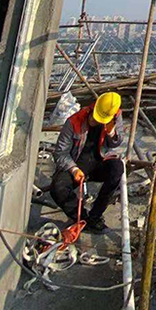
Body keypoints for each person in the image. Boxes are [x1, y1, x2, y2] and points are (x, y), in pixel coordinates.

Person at [51, 91, 124, 233]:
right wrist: (73, 169)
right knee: (57, 187)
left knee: (117, 168)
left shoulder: (115, 116)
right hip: (76, 164)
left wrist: (111, 133)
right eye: (96, 118)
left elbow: (116, 143)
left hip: (98, 163)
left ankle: (95, 216)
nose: (96, 122)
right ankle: (82, 218)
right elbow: (60, 153)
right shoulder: (73, 122)